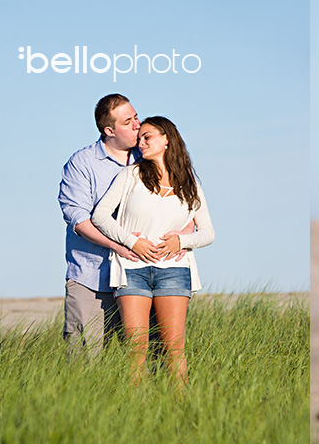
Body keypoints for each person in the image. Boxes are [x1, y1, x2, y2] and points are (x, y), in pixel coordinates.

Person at [92, 116, 214, 380]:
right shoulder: (130, 175)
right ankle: (135, 403)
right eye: (140, 139)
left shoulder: (190, 183)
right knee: (136, 349)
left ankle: (181, 403)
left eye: (147, 137)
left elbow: (208, 233)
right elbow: (100, 216)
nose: (141, 143)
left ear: (167, 139)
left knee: (174, 348)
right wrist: (131, 241)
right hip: (132, 269)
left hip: (174, 271)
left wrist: (181, 241)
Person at [58, 94, 143, 352]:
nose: (137, 125)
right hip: (92, 277)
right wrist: (119, 246)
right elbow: (77, 218)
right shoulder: (82, 163)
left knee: (145, 360)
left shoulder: (149, 156)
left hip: (141, 277)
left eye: (136, 117)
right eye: (128, 122)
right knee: (85, 359)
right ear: (109, 131)